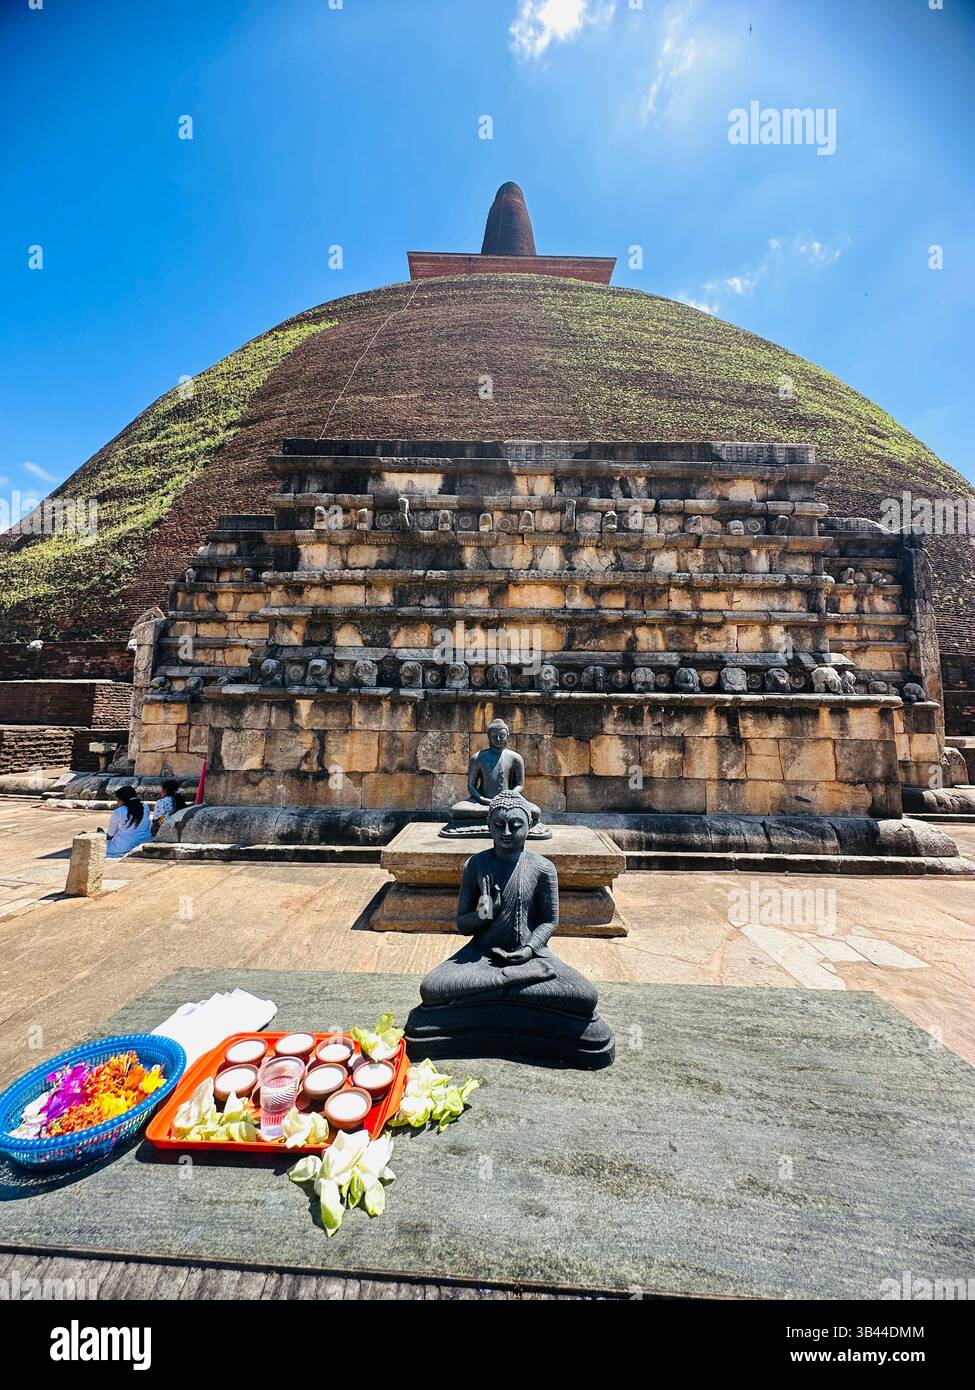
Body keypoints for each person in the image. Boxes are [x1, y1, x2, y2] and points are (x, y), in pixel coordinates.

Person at [105, 786, 152, 858]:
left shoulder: (119, 812)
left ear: (122, 800)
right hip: (144, 840)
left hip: (122, 848)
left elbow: (110, 835)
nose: (117, 802)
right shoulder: (145, 807)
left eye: (118, 799)